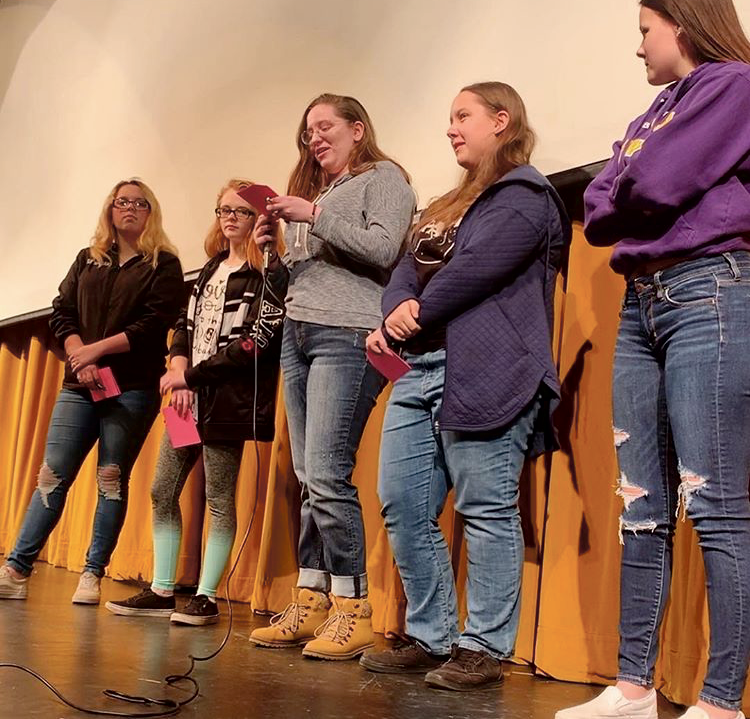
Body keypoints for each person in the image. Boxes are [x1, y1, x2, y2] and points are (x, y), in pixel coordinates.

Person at [556, 0, 750, 719]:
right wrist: (631, 179)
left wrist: (634, 176)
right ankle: (634, 688)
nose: (637, 45)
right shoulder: (656, 109)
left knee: (717, 503)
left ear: (683, 23)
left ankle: (722, 701)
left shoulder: (734, 84)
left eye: (645, 29)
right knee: (641, 502)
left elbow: (657, 180)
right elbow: (599, 208)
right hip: (642, 304)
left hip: (712, 293)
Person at [359, 81, 570, 691]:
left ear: (501, 120)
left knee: (485, 506)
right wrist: (397, 308)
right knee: (402, 503)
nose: (450, 128)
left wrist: (415, 313)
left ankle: (484, 647)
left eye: (463, 116)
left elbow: (477, 267)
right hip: (422, 370)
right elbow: (406, 268)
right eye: (449, 119)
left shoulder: (525, 193)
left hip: (488, 366)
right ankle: (432, 635)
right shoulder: (447, 203)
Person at [248, 93, 415, 659]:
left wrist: (315, 216)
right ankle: (312, 595)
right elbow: (302, 276)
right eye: (308, 132)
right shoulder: (320, 195)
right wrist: (274, 251)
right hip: (298, 333)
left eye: (325, 127)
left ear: (358, 129)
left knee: (326, 473)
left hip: (347, 334)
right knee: (305, 473)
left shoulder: (384, 178)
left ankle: (354, 608)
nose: (315, 138)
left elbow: (384, 247)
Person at [105, 179, 286, 625]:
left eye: (240, 212)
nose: (229, 218)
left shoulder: (267, 275)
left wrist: (192, 375)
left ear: (259, 220)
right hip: (187, 398)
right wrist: (178, 365)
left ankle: (205, 596)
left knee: (219, 498)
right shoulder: (209, 268)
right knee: (161, 489)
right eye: (223, 209)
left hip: (226, 399)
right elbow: (183, 325)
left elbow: (256, 344)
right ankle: (163, 589)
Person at [0, 179, 183, 604]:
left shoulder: (164, 264)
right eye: (122, 202)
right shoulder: (88, 259)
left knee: (111, 479)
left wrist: (97, 351)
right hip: (78, 385)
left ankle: (92, 574)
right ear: (110, 210)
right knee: (52, 474)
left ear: (150, 213)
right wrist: (78, 353)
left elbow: (154, 324)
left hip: (131, 388)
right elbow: (61, 310)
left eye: (140, 203)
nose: (130, 209)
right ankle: (16, 569)